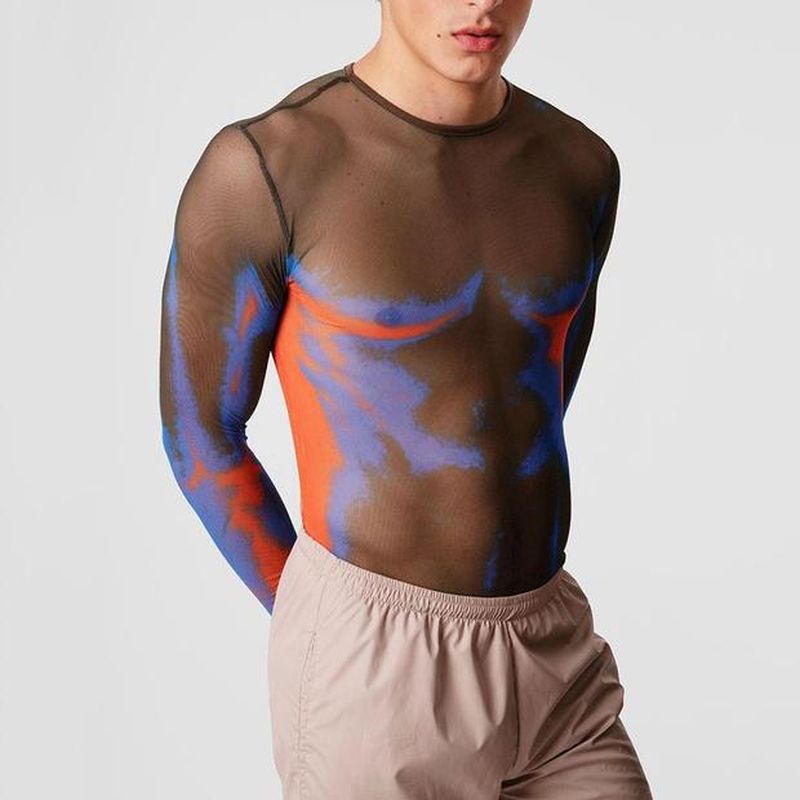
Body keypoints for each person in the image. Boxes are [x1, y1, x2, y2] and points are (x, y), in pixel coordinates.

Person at [159, 0, 653, 797]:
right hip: (372, 664)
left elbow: (535, 396)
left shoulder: (580, 165)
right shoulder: (268, 166)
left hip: (553, 655)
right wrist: (321, 618)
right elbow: (200, 436)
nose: (483, 2)